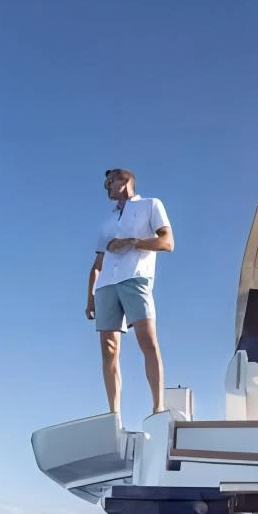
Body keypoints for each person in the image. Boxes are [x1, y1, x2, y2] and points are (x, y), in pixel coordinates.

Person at [85, 168, 173, 416]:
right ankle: (114, 414)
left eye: (109, 183)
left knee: (147, 341)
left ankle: (158, 407)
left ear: (125, 181)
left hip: (136, 278)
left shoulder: (150, 205)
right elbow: (96, 266)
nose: (106, 188)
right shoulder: (107, 223)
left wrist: (133, 242)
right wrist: (89, 297)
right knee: (108, 348)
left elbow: (167, 242)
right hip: (106, 286)